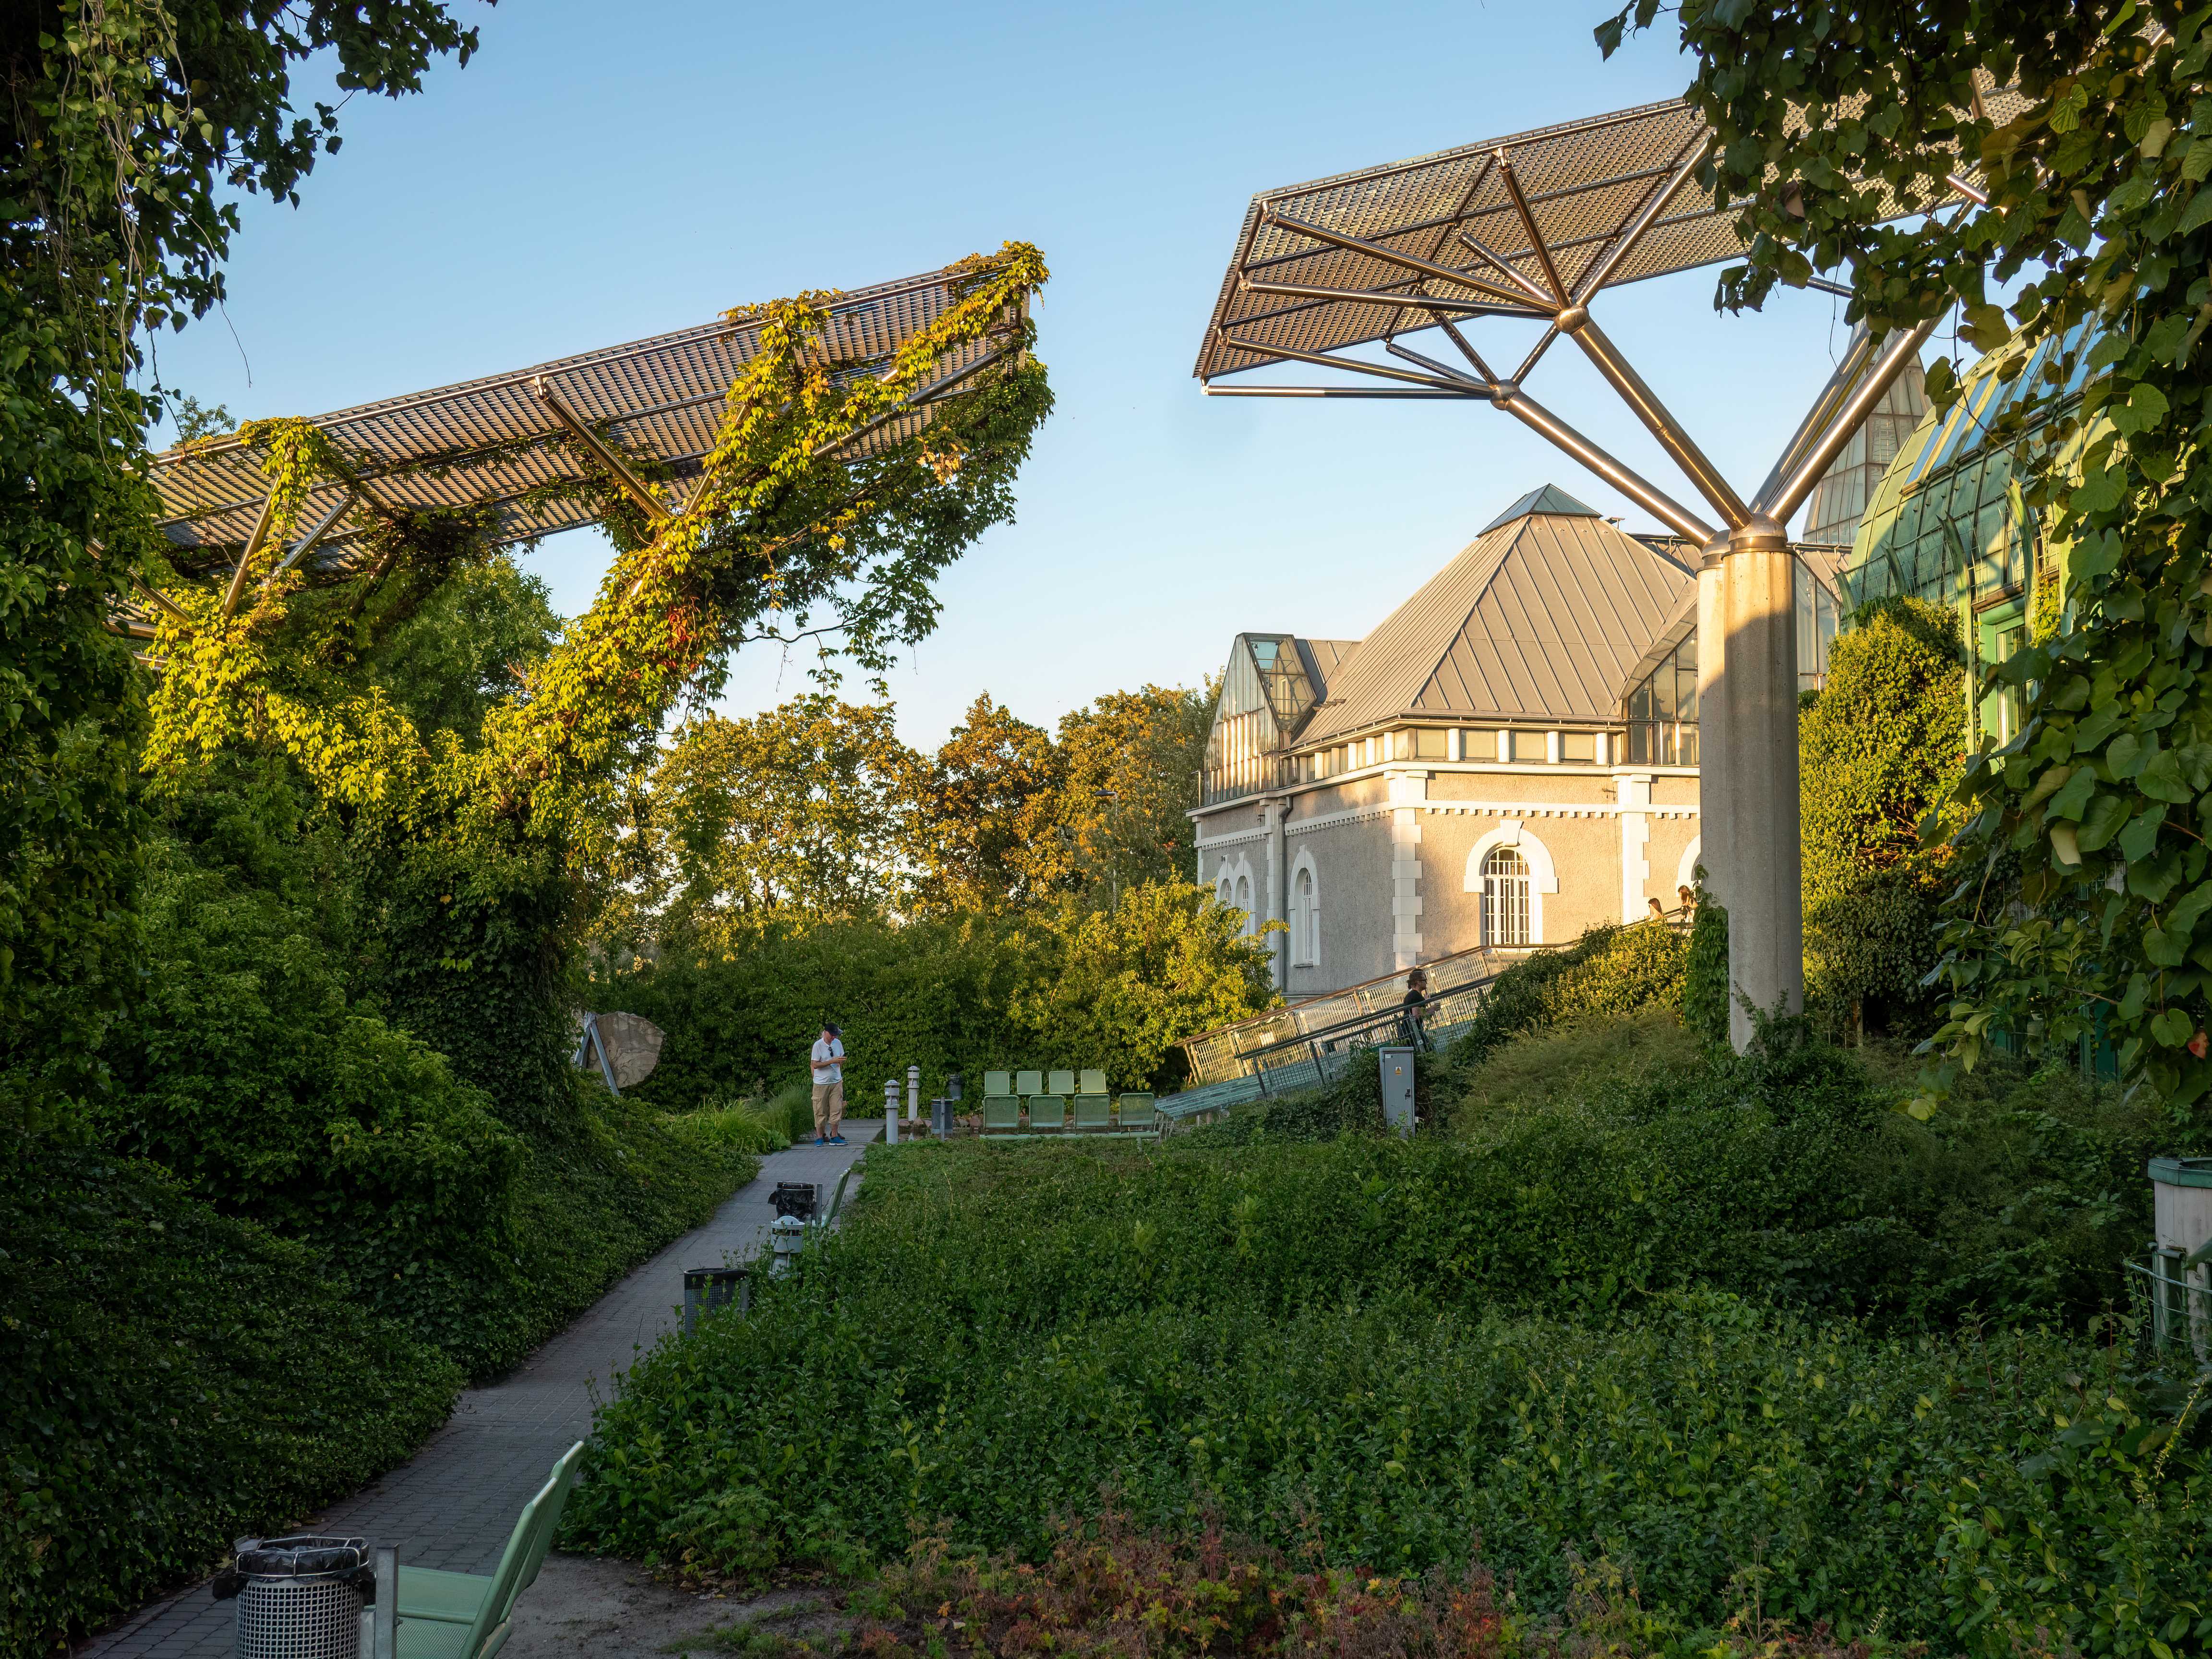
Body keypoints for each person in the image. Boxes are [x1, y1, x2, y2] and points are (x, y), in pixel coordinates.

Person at [809, 1023, 846, 1146]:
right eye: (832, 1035)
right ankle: (820, 1137)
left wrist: (839, 1063)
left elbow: (840, 1059)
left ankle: (835, 1136)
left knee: (837, 1109)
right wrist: (832, 1061)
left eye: (836, 1035)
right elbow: (815, 1065)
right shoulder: (818, 1045)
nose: (834, 1037)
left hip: (836, 1082)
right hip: (821, 1084)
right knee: (820, 1110)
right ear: (825, 1032)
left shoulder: (838, 1044)